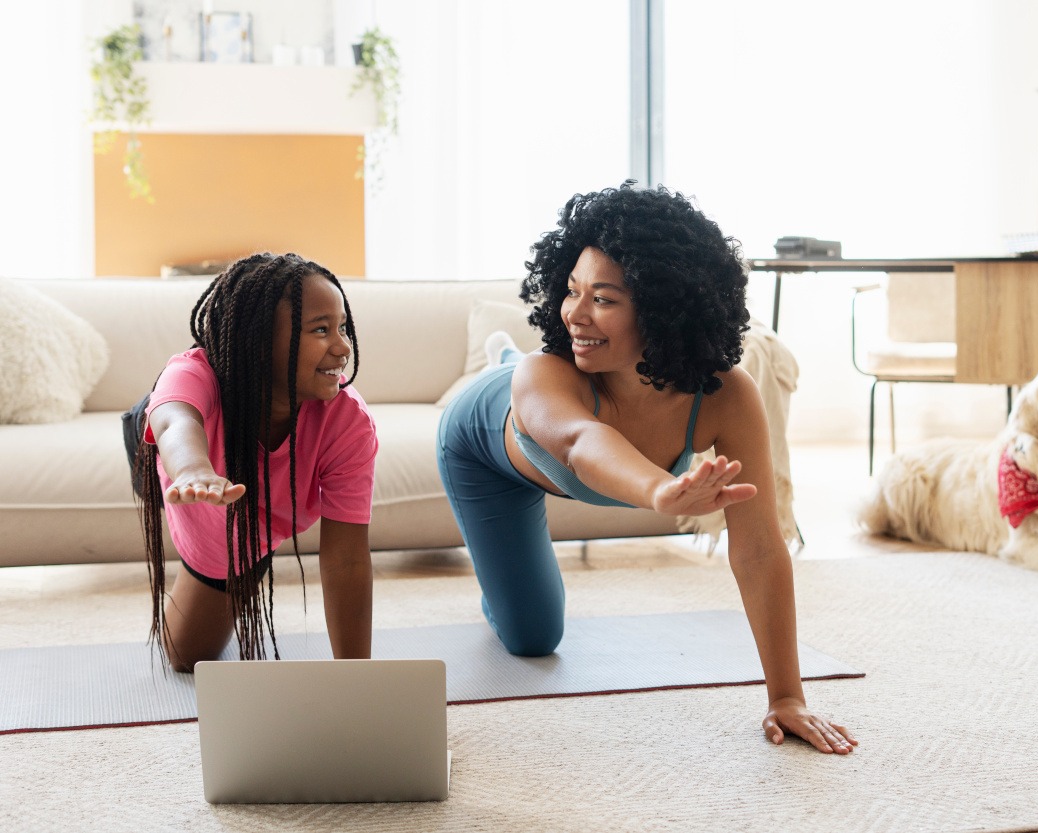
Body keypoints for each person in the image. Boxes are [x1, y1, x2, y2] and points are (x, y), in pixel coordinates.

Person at [437, 183, 857, 754]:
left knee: (536, 637)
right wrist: (661, 491)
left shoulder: (726, 394)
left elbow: (758, 548)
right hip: (482, 445)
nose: (575, 314)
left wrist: (787, 696)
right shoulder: (550, 371)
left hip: (571, 435)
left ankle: (501, 357)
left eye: (603, 299)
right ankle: (502, 362)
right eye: (571, 291)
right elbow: (585, 442)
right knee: (532, 638)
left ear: (662, 308)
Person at [134, 253, 378, 672]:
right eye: (321, 330)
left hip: (254, 509)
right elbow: (175, 420)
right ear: (259, 341)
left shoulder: (348, 423)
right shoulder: (197, 373)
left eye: (342, 328)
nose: (342, 346)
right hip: (188, 476)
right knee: (183, 656)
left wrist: (357, 679)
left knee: (190, 653)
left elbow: (347, 560)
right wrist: (193, 470)